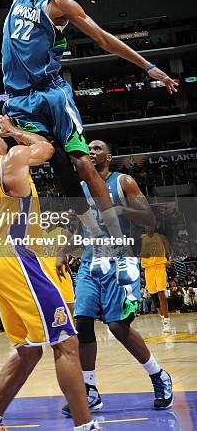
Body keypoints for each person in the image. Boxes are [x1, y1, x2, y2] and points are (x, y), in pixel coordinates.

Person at [1, 0, 178, 284]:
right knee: (54, 164)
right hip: (18, 98)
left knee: (81, 161)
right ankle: (92, 237)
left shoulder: (58, 4)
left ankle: (117, 242)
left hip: (50, 93)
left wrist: (148, 67)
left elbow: (103, 38)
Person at [0, 114, 102, 431]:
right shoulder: (11, 158)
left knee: (27, 351)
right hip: (17, 258)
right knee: (66, 343)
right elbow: (48, 148)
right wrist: (16, 132)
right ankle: (85, 426)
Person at [62, 140, 173, 417]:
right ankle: (90, 391)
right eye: (88, 148)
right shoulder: (83, 187)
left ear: (108, 157)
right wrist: (64, 252)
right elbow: (79, 226)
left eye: (97, 148)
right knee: (83, 323)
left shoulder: (123, 182)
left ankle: (159, 375)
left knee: (117, 326)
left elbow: (149, 220)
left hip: (120, 260)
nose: (91, 151)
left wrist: (121, 210)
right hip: (90, 261)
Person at [140, 224, 173, 333]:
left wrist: (170, 260)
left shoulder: (161, 237)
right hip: (148, 269)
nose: (148, 227)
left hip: (159, 267)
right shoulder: (141, 238)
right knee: (154, 296)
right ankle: (163, 318)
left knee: (161, 294)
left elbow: (170, 249)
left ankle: (166, 321)